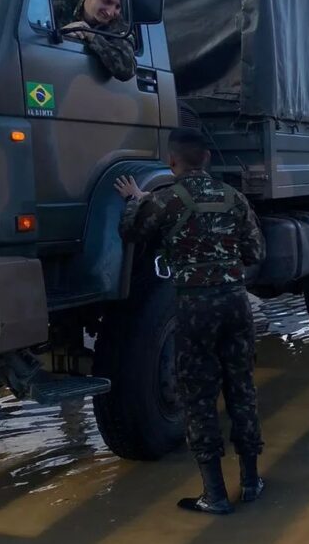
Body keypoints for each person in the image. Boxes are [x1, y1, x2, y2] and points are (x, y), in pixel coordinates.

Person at [114, 128, 266, 515]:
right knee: (242, 390)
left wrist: (135, 200)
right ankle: (251, 481)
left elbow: (130, 233)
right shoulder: (234, 198)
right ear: (207, 160)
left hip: (195, 308)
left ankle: (214, 495)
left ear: (172, 162)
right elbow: (254, 251)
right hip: (235, 303)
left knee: (198, 398)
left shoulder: (166, 201)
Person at [53, 0, 136, 82]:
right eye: (106, 1)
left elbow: (127, 69)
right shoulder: (60, 6)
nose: (110, 12)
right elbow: (30, 38)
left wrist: (92, 36)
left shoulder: (120, 24)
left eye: (118, 7)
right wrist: (60, 33)